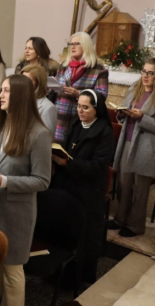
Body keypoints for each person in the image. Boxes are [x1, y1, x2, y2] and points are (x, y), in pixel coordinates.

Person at [0, 74, 52, 306]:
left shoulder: (38, 133)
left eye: (5, 91)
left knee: (11, 272)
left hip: (15, 214)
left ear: (21, 96)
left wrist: (4, 181)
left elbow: (42, 181)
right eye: (1, 90)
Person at [51, 89, 113, 282]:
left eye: (85, 107)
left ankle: (77, 277)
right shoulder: (77, 124)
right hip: (69, 182)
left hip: (88, 189)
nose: (80, 111)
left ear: (96, 109)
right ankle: (56, 268)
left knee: (83, 234)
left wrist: (67, 163)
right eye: (78, 106)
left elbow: (98, 167)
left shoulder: (104, 131)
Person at [108, 58, 155, 238]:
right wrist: (122, 114)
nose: (145, 76)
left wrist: (142, 117)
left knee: (140, 187)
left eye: (151, 73)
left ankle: (135, 225)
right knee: (124, 183)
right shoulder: (134, 90)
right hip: (127, 141)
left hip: (146, 147)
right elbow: (126, 116)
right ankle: (120, 219)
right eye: (144, 71)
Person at [54, 32, 108, 143]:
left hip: (80, 118)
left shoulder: (98, 69)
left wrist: (79, 94)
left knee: (74, 153)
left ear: (86, 45)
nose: (72, 47)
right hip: (59, 117)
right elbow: (55, 87)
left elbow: (101, 95)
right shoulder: (63, 66)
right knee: (56, 152)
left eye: (77, 43)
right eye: (70, 44)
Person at [21, 64, 58, 134]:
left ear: (38, 83)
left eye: (28, 81)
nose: (23, 84)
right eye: (22, 79)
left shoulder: (48, 108)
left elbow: (47, 137)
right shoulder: (18, 101)